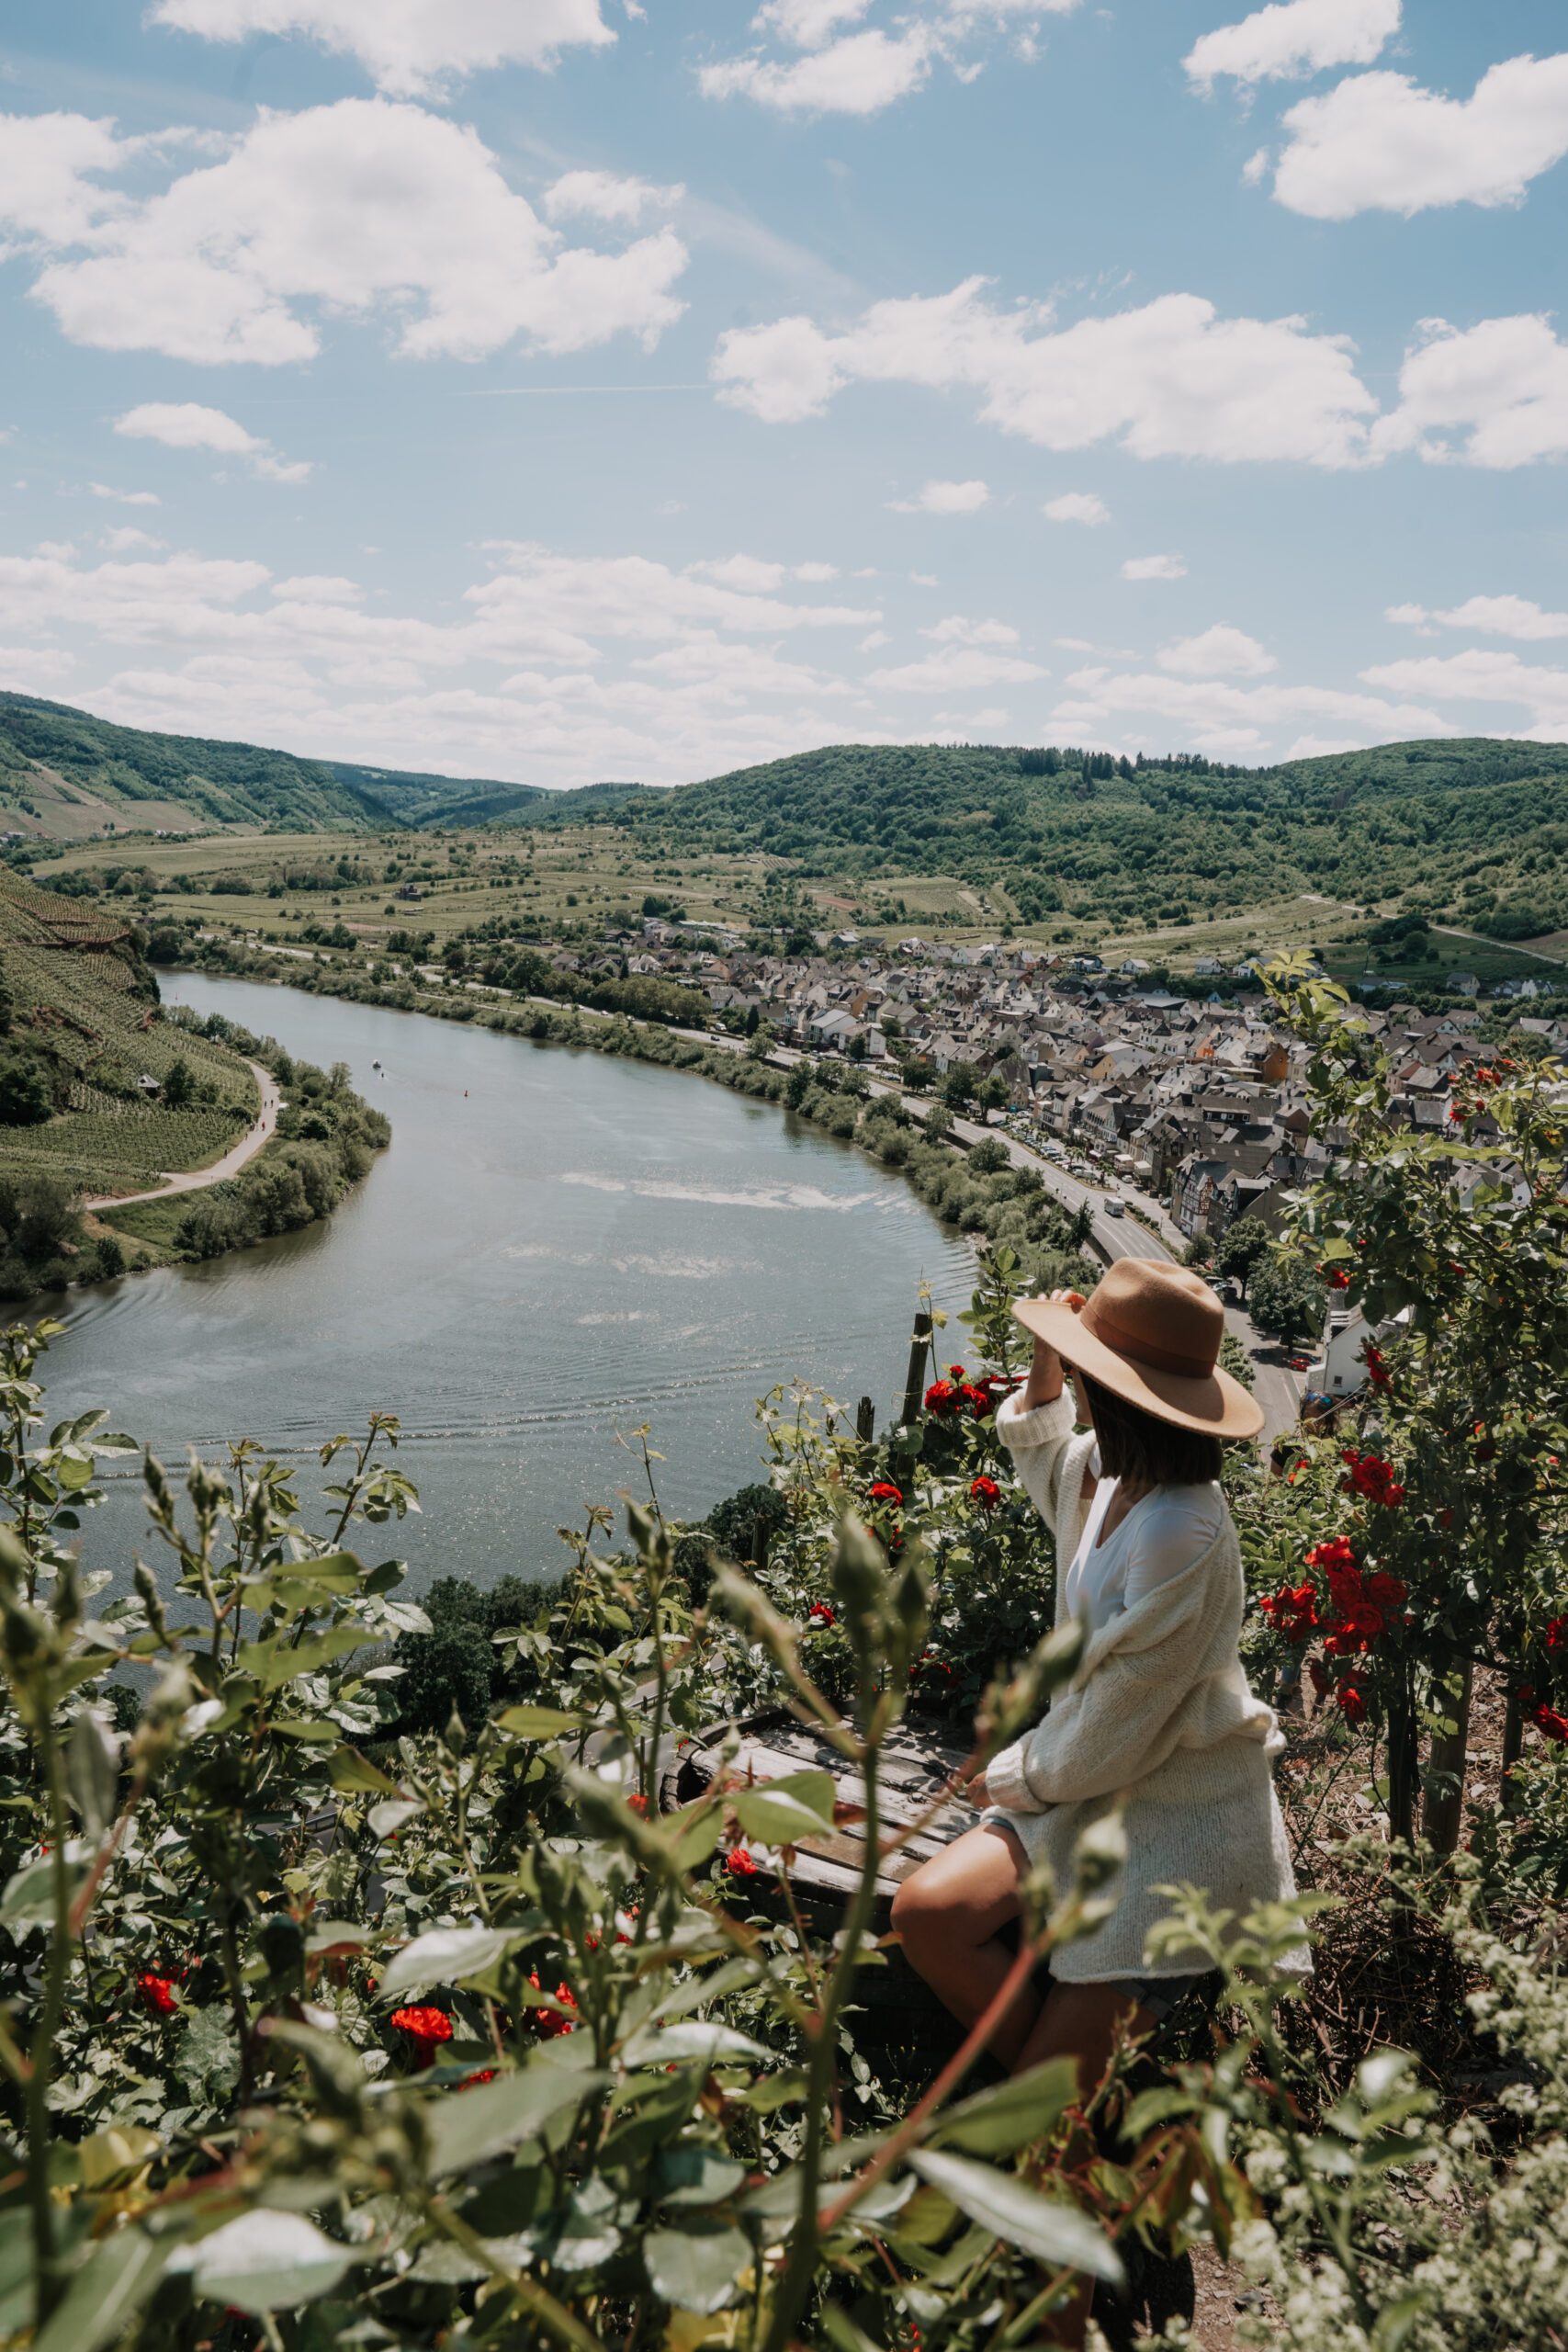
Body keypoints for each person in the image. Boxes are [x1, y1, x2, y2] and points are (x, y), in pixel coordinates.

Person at [893, 1261, 1299, 2321]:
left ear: (1118, 1393)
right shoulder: (1112, 1477)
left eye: (1086, 1369)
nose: (1073, 1383)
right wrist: (1046, 1353)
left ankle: (1062, 2302)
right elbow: (1041, 1454)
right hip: (1087, 1782)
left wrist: (1011, 1773)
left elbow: (1119, 1727)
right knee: (927, 1912)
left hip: (1172, 1823)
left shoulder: (1184, 1532)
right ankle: (1080, 2091)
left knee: (1035, 2134)